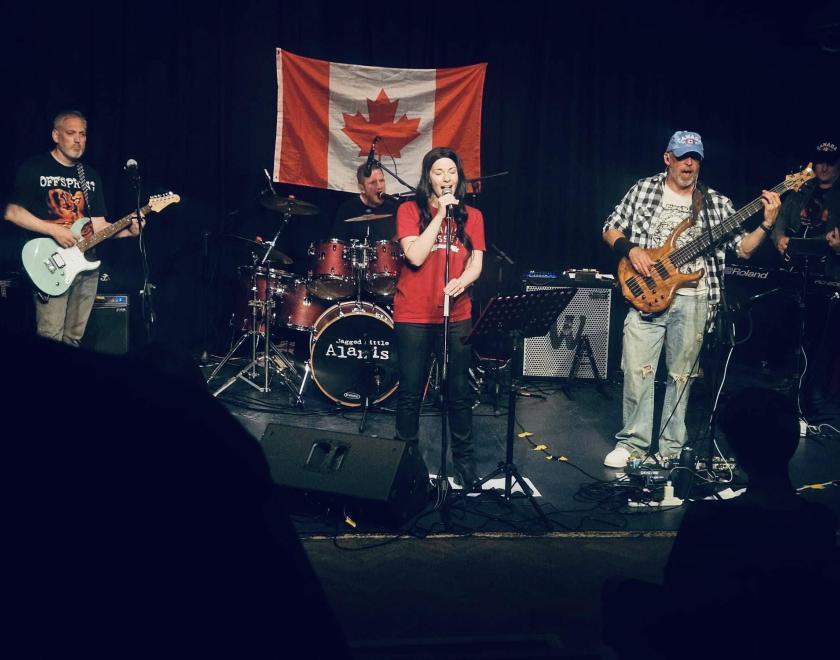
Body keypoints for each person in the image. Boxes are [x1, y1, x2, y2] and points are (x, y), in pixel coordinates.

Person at [603, 387, 839, 659]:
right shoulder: (819, 521)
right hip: (787, 644)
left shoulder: (708, 518)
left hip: (710, 641)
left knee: (617, 588)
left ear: (734, 449)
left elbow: (677, 592)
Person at [601, 130, 781, 468]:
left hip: (694, 299)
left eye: (694, 157)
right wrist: (632, 250)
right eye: (682, 156)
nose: (688, 163)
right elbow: (610, 226)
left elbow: (742, 249)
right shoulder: (643, 190)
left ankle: (669, 450)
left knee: (681, 376)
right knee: (638, 372)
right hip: (647, 295)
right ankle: (633, 445)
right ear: (667, 158)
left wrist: (768, 224)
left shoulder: (715, 203)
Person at [4, 110, 142, 347]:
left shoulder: (90, 176)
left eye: (83, 134)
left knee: (73, 341)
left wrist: (127, 231)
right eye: (71, 133)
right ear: (56, 135)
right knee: (50, 336)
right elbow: (11, 212)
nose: (78, 140)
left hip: (86, 266)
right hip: (51, 263)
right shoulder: (35, 168)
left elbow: (99, 226)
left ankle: (67, 383)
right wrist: (53, 230)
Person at [393, 147, 485, 487]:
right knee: (411, 391)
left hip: (456, 314)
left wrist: (465, 280)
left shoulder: (472, 216)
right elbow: (415, 256)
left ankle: (465, 462)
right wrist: (439, 215)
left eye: (451, 172)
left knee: (458, 392)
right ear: (427, 177)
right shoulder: (408, 210)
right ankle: (406, 463)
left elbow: (476, 260)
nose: (446, 178)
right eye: (438, 172)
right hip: (414, 314)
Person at [773, 139, 840, 412]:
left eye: (830, 162)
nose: (823, 167)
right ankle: (791, 385)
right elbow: (779, 222)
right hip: (797, 274)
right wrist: (779, 239)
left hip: (830, 277)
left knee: (821, 339)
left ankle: (817, 393)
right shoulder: (802, 190)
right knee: (792, 331)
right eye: (820, 161)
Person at [330, 163, 398, 243]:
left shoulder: (393, 207)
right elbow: (336, 244)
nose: (379, 186)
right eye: (373, 182)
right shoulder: (347, 209)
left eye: (381, 180)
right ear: (361, 188)